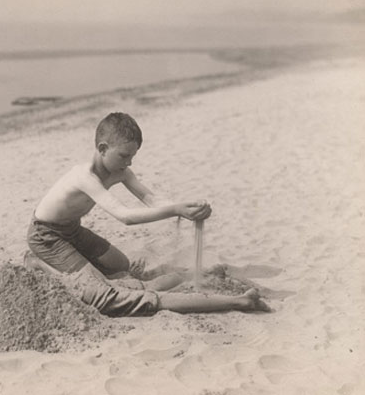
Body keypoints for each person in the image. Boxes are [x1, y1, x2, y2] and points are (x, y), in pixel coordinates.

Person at [27, 112, 269, 316]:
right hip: (46, 235)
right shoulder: (84, 177)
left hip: (72, 230)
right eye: (124, 156)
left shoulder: (120, 172)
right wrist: (174, 210)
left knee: (120, 264)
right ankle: (42, 264)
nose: (129, 163)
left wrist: (185, 208)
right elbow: (125, 216)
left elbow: (150, 199)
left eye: (133, 156)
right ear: (102, 148)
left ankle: (74, 267)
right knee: (100, 293)